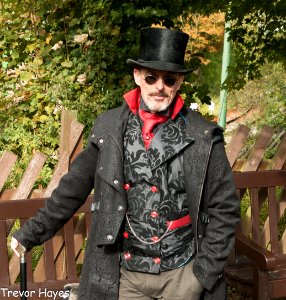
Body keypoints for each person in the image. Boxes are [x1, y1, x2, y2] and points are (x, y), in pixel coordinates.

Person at [11, 27, 240, 300]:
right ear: (137, 76)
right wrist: (29, 234)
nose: (159, 87)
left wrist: (201, 274)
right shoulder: (109, 128)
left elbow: (225, 208)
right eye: (152, 77)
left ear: (179, 82)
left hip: (183, 275)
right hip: (126, 276)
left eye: (169, 80)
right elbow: (72, 189)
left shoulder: (203, 136)